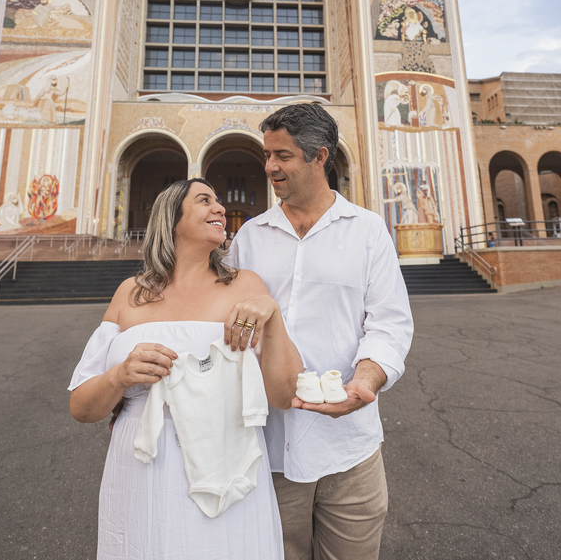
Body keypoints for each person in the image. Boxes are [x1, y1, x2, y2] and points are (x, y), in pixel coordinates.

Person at [68, 178, 303, 559]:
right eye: (204, 200)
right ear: (172, 220)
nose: (220, 209)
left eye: (219, 202)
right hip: (141, 471)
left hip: (227, 463)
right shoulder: (130, 293)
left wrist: (272, 317)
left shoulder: (245, 285)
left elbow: (284, 394)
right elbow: (81, 407)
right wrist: (119, 375)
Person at [228, 103, 414, 560]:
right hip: (267, 450)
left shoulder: (368, 231)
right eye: (267, 154)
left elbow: (388, 322)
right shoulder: (249, 238)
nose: (270, 166)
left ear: (319, 156)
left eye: (283, 156)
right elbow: (214, 325)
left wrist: (365, 383)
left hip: (349, 448)